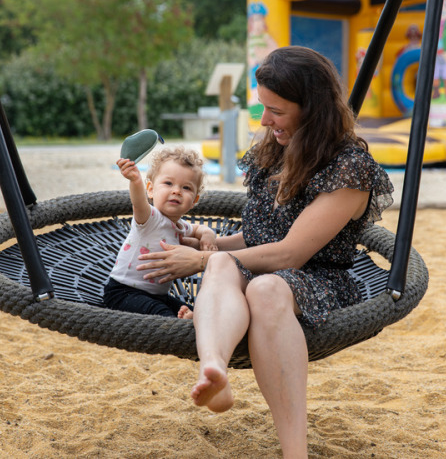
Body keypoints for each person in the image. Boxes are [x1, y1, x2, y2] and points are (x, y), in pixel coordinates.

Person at [135, 46, 394, 457]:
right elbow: (260, 236)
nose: (264, 120)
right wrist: (213, 245)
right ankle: (215, 368)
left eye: (276, 110)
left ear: (313, 109)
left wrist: (202, 261)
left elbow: (290, 252)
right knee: (227, 264)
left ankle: (295, 452)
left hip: (317, 280)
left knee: (265, 289)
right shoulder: (274, 149)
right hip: (264, 269)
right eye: (262, 107)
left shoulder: (349, 168)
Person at [103, 146, 217, 319]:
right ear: (150, 189)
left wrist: (208, 235)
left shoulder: (181, 226)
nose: (176, 191)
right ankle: (180, 325)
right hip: (124, 292)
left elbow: (200, 229)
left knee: (191, 310)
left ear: (194, 200)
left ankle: (188, 318)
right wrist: (135, 181)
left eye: (186, 187)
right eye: (168, 183)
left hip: (157, 295)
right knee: (162, 315)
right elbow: (138, 202)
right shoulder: (150, 218)